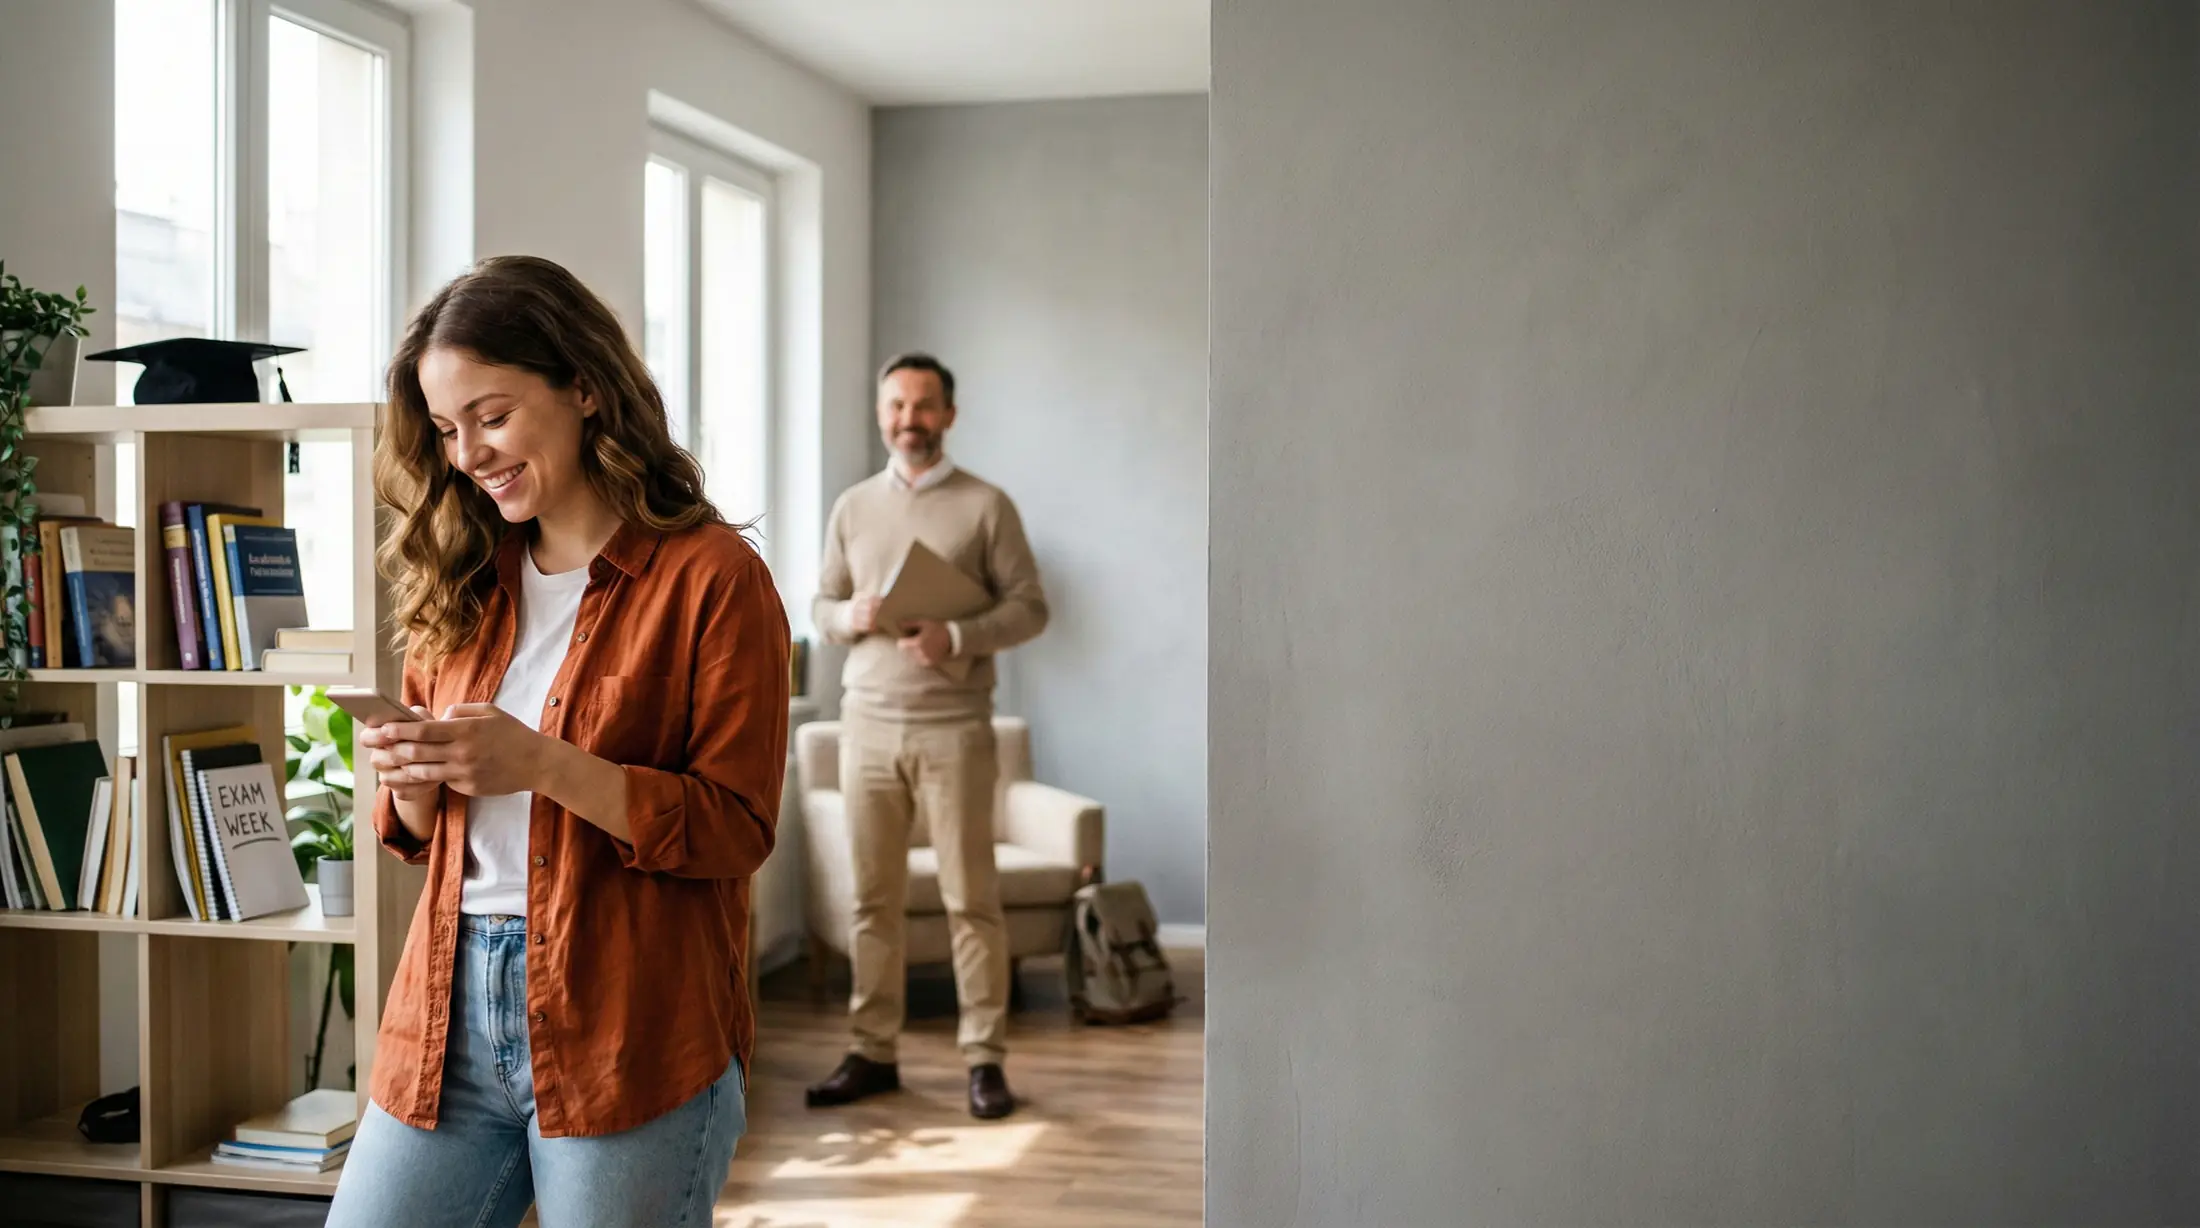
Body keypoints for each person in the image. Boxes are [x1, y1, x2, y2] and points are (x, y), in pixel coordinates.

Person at [325, 255, 790, 1228]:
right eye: (448, 431)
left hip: (631, 1020)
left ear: (582, 385)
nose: (468, 453)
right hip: (444, 1016)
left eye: (491, 416)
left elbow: (735, 828)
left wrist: (540, 763)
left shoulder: (712, 577)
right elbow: (412, 835)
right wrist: (412, 776)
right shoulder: (457, 580)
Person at [807, 353, 1048, 1120]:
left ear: (949, 414)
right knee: (871, 901)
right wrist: (848, 618)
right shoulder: (851, 507)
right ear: (881, 414)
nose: (908, 419)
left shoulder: (987, 506)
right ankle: (872, 1051)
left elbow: (1030, 608)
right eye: (897, 406)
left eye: (924, 406)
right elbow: (820, 603)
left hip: (955, 729)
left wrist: (956, 634)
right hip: (866, 725)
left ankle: (985, 1059)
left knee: (970, 899)